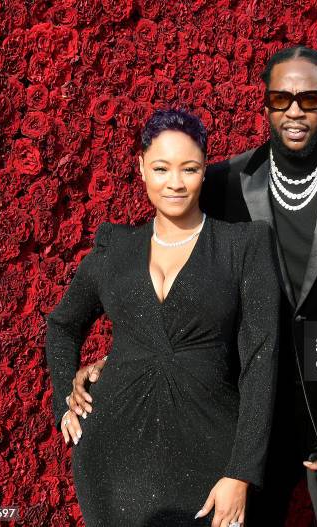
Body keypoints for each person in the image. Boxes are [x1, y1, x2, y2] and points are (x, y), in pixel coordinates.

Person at [68, 46, 317, 526]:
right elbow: (174, 266)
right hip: (244, 420)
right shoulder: (221, 180)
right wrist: (128, 348)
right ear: (266, 103)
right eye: (281, 97)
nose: (295, 109)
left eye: (309, 98)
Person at [45, 108, 280, 527]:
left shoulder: (243, 246)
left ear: (205, 169)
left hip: (212, 463)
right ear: (141, 168)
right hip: (110, 461)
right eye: (161, 167)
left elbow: (262, 362)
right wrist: (65, 395)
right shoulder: (113, 249)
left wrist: (242, 471)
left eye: (189, 168)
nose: (175, 182)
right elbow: (62, 325)